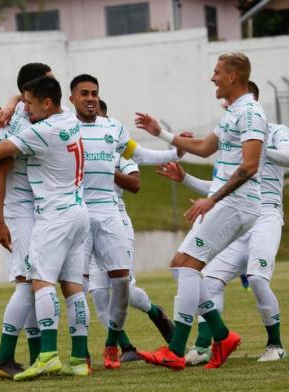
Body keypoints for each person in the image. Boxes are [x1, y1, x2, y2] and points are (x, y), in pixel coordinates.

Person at [135, 52, 268, 370]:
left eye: (217, 72)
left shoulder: (250, 112)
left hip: (236, 204)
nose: (213, 78)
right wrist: (161, 134)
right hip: (231, 203)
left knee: (186, 266)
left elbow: (249, 166)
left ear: (233, 77)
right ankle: (222, 336)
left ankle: (177, 349)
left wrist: (213, 199)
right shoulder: (235, 111)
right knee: (182, 266)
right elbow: (206, 147)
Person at [156, 83, 288, 364]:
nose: (227, 110)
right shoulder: (231, 137)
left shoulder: (275, 132)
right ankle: (205, 346)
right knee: (209, 278)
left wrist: (260, 149)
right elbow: (222, 185)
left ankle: (275, 344)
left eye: (232, 105)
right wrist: (186, 179)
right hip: (235, 212)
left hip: (265, 215)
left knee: (256, 278)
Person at [69, 74, 181, 369]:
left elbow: (140, 157)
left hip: (111, 214)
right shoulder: (63, 128)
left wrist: (177, 151)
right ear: (72, 99)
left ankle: (115, 340)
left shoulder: (113, 129)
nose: (90, 98)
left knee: (121, 286)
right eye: (84, 93)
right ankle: (85, 354)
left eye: (94, 93)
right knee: (82, 288)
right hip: (78, 214)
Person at [0, 76, 90, 380]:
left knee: (36, 282)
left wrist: (14, 112)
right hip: (68, 211)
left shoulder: (38, 129)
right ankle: (76, 358)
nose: (26, 106)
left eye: (29, 101)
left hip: (51, 214)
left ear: (45, 101)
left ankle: (41, 355)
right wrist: (14, 102)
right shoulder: (66, 117)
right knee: (67, 284)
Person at [0, 63, 53, 380]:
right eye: (50, 80)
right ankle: (3, 357)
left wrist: (14, 97)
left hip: (37, 208)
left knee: (32, 280)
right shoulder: (15, 126)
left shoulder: (37, 113)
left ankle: (36, 356)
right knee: (29, 282)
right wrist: (0, 220)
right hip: (19, 210)